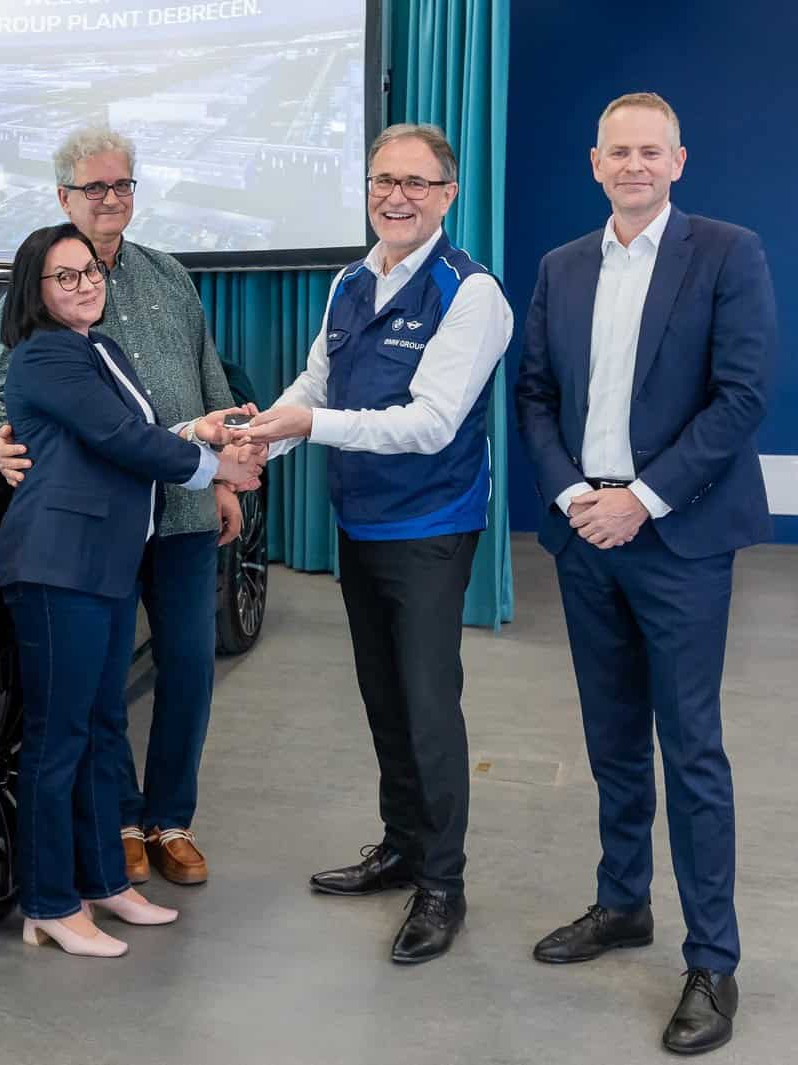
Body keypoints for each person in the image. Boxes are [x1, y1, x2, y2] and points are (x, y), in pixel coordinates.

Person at [514, 92, 776, 1055]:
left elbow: (741, 396)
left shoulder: (727, 252)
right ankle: (622, 902)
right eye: (617, 152)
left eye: (649, 152)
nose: (632, 165)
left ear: (677, 161)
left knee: (690, 748)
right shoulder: (561, 265)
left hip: (678, 539)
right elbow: (535, 394)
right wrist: (572, 496)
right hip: (585, 534)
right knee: (612, 738)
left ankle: (712, 960)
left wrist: (642, 499)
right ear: (594, 163)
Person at [245, 123, 514, 963]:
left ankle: (442, 884)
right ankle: (401, 846)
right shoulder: (349, 281)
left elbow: (430, 424)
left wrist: (307, 425)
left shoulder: (470, 293)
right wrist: (259, 437)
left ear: (447, 195)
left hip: (430, 525)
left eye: (414, 183)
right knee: (383, 696)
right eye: (380, 181)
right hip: (359, 519)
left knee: (428, 705)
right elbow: (316, 384)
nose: (394, 197)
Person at [0, 125, 247, 887]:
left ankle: (170, 819)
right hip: (102, 525)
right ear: (63, 196)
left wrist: (222, 483)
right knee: (102, 685)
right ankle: (118, 821)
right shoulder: (41, 286)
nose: (110, 198)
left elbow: (209, 379)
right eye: (94, 187)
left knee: (187, 668)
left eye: (121, 184)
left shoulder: (169, 275)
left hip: (182, 513)